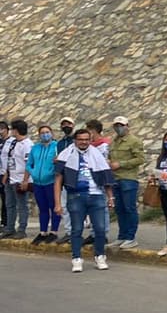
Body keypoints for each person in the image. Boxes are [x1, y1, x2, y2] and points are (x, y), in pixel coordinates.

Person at [53, 128, 116, 273]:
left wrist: (110, 197)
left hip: (97, 196)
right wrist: (57, 203)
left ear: (90, 140)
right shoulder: (65, 155)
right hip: (75, 197)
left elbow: (106, 177)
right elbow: (57, 180)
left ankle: (100, 256)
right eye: (80, 139)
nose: (83, 142)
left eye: (86, 139)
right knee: (76, 230)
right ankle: (76, 258)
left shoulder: (97, 155)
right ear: (75, 140)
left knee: (100, 229)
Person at [106, 115, 144, 250]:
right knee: (119, 209)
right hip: (115, 179)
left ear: (127, 126)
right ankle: (122, 236)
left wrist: (121, 164)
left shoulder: (134, 141)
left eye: (121, 125)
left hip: (128, 178)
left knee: (129, 208)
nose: (118, 128)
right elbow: (110, 157)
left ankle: (130, 237)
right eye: (116, 126)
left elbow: (140, 159)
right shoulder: (113, 142)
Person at [27, 124, 61, 244]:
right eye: (42, 133)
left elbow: (60, 162)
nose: (45, 134)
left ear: (51, 133)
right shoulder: (35, 148)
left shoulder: (56, 147)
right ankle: (43, 232)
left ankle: (54, 231)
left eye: (47, 132)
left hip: (51, 182)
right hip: (38, 182)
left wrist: (52, 172)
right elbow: (29, 163)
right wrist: (33, 172)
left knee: (54, 207)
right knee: (43, 208)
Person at [2, 118, 31, 239]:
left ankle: (22, 229)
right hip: (11, 177)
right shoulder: (14, 143)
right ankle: (10, 228)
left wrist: (25, 180)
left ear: (16, 130)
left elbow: (28, 164)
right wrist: (6, 175)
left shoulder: (27, 145)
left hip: (20, 179)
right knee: (9, 204)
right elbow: (10, 160)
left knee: (22, 205)